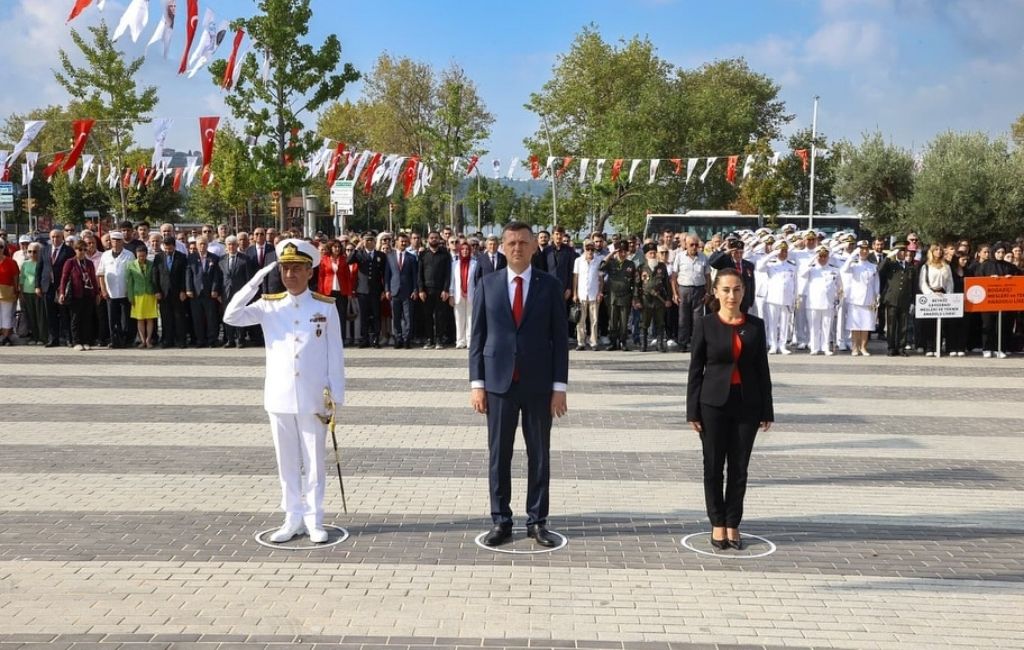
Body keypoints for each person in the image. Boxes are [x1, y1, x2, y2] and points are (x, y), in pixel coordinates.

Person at [223, 239, 345, 544]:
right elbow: (231, 316)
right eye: (285, 268)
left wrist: (335, 396)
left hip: (314, 396)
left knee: (314, 462)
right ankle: (292, 517)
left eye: (297, 268)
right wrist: (254, 281)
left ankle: (314, 519)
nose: (290, 274)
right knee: (287, 462)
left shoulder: (324, 307)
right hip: (279, 395)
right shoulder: (268, 304)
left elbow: (335, 354)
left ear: (309, 272)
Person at [470, 221, 569, 548]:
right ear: (502, 247)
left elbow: (560, 340)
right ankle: (501, 520)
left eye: (523, 243)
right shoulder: (488, 284)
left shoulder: (550, 285)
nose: (517, 248)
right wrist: (477, 384)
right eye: (511, 242)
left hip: (539, 385)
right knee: (499, 455)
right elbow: (477, 338)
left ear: (533, 247)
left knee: (539, 455)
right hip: (499, 385)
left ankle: (537, 521)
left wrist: (560, 388)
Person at [687, 267, 773, 551]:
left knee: (739, 468)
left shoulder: (756, 326)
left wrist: (767, 410)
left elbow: (762, 370)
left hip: (747, 404)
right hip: (712, 404)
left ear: (744, 291)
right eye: (725, 290)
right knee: (713, 467)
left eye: (736, 289)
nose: (731, 295)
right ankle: (717, 522)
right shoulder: (706, 324)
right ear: (715, 292)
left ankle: (733, 523)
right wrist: (692, 411)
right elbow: (695, 370)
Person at [756, 240, 798, 354]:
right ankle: (773, 345)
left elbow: (795, 283)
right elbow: (759, 267)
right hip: (773, 298)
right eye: (781, 251)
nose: (783, 253)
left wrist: (795, 298)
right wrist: (772, 254)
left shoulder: (792, 265)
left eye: (785, 251)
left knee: (785, 323)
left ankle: (782, 345)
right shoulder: (770, 263)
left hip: (787, 298)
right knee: (772, 323)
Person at [58, 239, 101, 351]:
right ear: (75, 250)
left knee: (87, 319)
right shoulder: (70, 262)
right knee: (75, 319)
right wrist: (62, 292)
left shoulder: (89, 263)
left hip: (88, 294)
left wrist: (96, 294)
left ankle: (86, 341)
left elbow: (93, 279)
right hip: (75, 294)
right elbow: (64, 278)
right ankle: (76, 341)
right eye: (80, 249)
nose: (82, 252)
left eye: (84, 249)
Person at [841, 241, 881, 356]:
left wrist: (877, 295)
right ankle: (854, 348)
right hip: (855, 299)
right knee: (855, 325)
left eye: (866, 249)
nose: (864, 251)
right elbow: (844, 269)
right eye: (861, 249)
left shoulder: (872, 266)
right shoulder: (853, 264)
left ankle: (863, 347)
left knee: (866, 325)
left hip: (868, 299)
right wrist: (853, 254)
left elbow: (876, 282)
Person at [670, 234, 708, 353]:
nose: (694, 247)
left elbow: (708, 276)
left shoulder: (703, 257)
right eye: (691, 244)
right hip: (684, 290)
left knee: (698, 319)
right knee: (683, 319)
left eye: (696, 245)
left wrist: (708, 293)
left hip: (699, 289)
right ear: (686, 245)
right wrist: (675, 293)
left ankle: (696, 344)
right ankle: (683, 343)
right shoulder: (680, 257)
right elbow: (674, 277)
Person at [878, 241, 916, 357]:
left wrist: (913, 301)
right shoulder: (891, 264)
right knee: (891, 325)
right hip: (891, 299)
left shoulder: (910, 266)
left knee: (903, 325)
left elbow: (913, 285)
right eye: (899, 251)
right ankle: (891, 347)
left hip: (905, 300)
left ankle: (901, 347)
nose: (902, 253)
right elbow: (880, 270)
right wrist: (888, 257)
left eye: (904, 251)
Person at [599, 240, 638, 351]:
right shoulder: (611, 262)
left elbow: (635, 282)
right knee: (613, 321)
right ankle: (613, 342)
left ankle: (623, 341)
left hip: (625, 296)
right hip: (613, 296)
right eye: (620, 251)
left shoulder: (631, 264)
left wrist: (634, 297)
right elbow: (601, 266)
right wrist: (611, 254)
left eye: (625, 251)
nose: (623, 254)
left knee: (624, 321)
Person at [152, 236, 190, 349]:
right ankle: (167, 340)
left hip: (178, 292)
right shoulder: (158, 257)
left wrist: (183, 290)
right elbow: (155, 275)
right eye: (166, 248)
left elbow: (185, 275)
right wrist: (157, 290)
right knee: (165, 317)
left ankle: (181, 340)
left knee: (179, 317)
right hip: (163, 293)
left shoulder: (182, 257)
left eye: (170, 248)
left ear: (174, 246)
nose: (168, 251)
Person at [218, 236, 256, 348]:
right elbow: (219, 278)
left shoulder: (245, 259)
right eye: (229, 244)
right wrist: (218, 292)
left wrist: (248, 293)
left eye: (233, 244)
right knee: (228, 315)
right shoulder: (221, 260)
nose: (231, 246)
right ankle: (230, 340)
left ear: (237, 245)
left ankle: (240, 339)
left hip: (240, 293)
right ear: (226, 246)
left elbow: (249, 277)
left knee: (239, 315)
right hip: (226, 293)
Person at [185, 237, 223, 348]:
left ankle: (212, 340)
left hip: (210, 293)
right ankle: (200, 340)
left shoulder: (214, 258)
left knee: (211, 318)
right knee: (197, 318)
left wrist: (215, 289)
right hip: (195, 294)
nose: (202, 246)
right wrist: (188, 289)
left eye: (204, 244)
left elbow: (217, 276)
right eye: (200, 244)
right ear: (196, 245)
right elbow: (188, 274)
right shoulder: (191, 258)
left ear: (207, 245)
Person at [918, 243, 954, 357]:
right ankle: (929, 347)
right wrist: (930, 294)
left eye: (940, 250)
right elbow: (922, 282)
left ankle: (938, 346)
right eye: (936, 250)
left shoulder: (946, 266)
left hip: (942, 294)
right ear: (932, 252)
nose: (938, 252)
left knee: (941, 324)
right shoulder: (926, 266)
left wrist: (948, 295)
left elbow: (949, 282)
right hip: (931, 295)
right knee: (929, 323)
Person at [636, 242, 672, 352]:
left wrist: (668, 299)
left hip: (659, 300)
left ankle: (660, 344)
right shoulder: (641, 267)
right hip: (646, 299)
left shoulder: (662, 267)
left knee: (660, 323)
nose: (653, 255)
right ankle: (644, 344)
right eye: (650, 253)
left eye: (654, 253)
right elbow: (637, 285)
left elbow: (667, 284)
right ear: (646, 255)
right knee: (644, 323)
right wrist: (637, 300)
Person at [384, 233, 418, 349]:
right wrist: (387, 289)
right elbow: (387, 275)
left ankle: (407, 339)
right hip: (394, 291)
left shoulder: (412, 258)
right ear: (396, 242)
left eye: (405, 241)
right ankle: (397, 339)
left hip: (407, 291)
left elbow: (415, 276)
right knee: (396, 317)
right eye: (401, 241)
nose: (403, 243)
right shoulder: (389, 256)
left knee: (408, 317)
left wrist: (415, 290)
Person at [571, 242, 603, 351]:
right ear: (584, 249)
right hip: (581, 294)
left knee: (594, 320)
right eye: (587, 248)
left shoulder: (598, 260)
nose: (589, 251)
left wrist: (600, 292)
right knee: (580, 320)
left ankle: (593, 342)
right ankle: (581, 342)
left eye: (591, 248)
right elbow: (575, 277)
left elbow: (601, 278)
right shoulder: (578, 261)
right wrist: (574, 293)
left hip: (594, 293)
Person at [126, 244, 159, 348]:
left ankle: (149, 340)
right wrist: (130, 297)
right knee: (140, 319)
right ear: (136, 255)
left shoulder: (152, 264)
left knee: (150, 318)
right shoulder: (130, 265)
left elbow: (154, 280)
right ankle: (142, 340)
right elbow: (129, 282)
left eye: (143, 256)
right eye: (139, 256)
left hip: (150, 294)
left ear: (146, 255)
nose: (141, 258)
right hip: (137, 295)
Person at [449, 241, 478, 349]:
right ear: (460, 251)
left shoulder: (475, 264)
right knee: (459, 319)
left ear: (470, 251)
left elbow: (476, 280)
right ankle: (460, 341)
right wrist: (451, 295)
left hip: (471, 294)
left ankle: (470, 341)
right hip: (458, 295)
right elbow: (452, 280)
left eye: (467, 249)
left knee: (470, 318)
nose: (465, 251)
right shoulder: (455, 264)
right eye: (463, 249)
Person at [18, 242, 47, 345]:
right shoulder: (25, 264)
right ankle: (34, 337)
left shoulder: (43, 262)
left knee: (40, 316)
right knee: (31, 316)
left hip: (39, 293)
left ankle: (42, 338)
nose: (32, 254)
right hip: (27, 292)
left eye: (35, 251)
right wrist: (21, 293)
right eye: (29, 251)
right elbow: (22, 279)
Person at [0, 242, 19, 345]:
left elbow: (15, 278)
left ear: (4, 248)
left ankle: (6, 337)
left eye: (1, 247)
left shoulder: (11, 262)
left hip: (7, 292)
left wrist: (16, 291)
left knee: (7, 315)